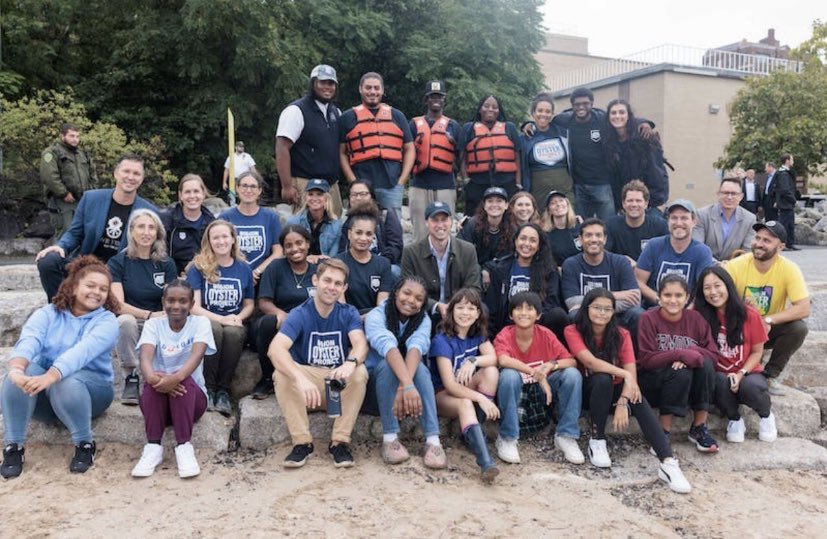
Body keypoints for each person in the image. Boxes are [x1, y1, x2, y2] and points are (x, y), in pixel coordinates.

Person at [1, 256, 119, 478]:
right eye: (90, 286)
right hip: (46, 394)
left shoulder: (107, 321)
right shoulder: (47, 313)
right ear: (74, 287)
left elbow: (82, 352)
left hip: (92, 394)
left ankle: (84, 444)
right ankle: (13, 447)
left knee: (66, 379)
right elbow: (30, 339)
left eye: (103, 289)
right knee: (17, 375)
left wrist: (52, 375)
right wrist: (17, 368)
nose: (97, 292)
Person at [565, 288, 691, 493]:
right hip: (589, 391)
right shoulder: (573, 330)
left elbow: (631, 372)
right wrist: (624, 375)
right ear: (586, 308)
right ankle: (597, 439)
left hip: (616, 389)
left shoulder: (621, 334)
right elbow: (591, 362)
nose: (602, 313)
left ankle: (668, 462)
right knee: (603, 378)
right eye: (597, 307)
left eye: (608, 309)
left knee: (637, 398)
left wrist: (624, 400)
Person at [268, 259, 369, 469]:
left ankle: (339, 443)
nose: (331, 287)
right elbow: (275, 349)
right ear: (315, 280)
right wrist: (300, 379)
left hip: (337, 383)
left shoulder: (348, 312)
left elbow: (360, 344)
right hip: (308, 386)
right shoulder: (300, 313)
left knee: (360, 372)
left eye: (337, 283)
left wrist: (350, 363)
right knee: (282, 373)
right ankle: (302, 443)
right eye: (327, 280)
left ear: (344, 288)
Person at [35, 153, 157, 301]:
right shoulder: (91, 198)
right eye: (126, 171)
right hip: (86, 265)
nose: (130, 177)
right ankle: (59, 308)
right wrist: (61, 246)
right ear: (116, 173)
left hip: (121, 274)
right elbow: (75, 233)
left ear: (141, 179)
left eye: (136, 173)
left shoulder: (148, 211)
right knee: (48, 260)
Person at [131, 279, 215, 478]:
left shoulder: (201, 323)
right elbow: (145, 357)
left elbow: (196, 356)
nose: (176, 306)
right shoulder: (153, 324)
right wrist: (154, 379)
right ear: (163, 302)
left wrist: (174, 378)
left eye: (183, 301)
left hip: (192, 401)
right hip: (158, 402)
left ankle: (184, 446)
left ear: (192, 304)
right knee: (152, 382)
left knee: (183, 378)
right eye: (171, 300)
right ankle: (152, 448)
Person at [364, 276, 446, 468]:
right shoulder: (377, 315)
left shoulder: (423, 320)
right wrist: (407, 385)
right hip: (376, 392)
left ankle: (433, 441)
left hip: (407, 397)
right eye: (406, 293)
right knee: (387, 364)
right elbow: (388, 347)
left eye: (418, 298)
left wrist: (405, 387)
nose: (411, 301)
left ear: (423, 304)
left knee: (421, 368)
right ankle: (390, 438)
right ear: (395, 293)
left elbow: (416, 348)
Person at [494, 291, 584, 465]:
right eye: (518, 308)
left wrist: (551, 365)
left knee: (572, 375)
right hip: (517, 393)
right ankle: (507, 438)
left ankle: (566, 436)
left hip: (543, 394)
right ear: (511, 315)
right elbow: (503, 360)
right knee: (509, 375)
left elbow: (571, 361)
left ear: (539, 315)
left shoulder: (546, 334)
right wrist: (535, 373)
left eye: (530, 309)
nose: (524, 313)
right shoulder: (505, 334)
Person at [724, 221, 810, 395]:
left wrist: (768, 320)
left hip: (766, 329)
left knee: (798, 328)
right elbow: (717, 298)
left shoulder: (789, 269)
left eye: (767, 240)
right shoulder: (736, 265)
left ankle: (770, 375)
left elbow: (803, 308)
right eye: (758, 238)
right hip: (738, 326)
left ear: (781, 247)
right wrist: (741, 309)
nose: (759, 244)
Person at [637, 275, 720, 453]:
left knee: (704, 364)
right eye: (667, 295)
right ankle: (663, 432)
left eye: (678, 295)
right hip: (654, 382)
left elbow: (713, 356)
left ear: (687, 297)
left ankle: (698, 428)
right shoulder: (648, 318)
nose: (673, 300)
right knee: (678, 372)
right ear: (659, 296)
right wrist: (681, 354)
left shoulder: (696, 319)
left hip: (688, 386)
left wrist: (691, 355)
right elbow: (646, 359)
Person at [693, 267, 777, 443]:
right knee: (720, 382)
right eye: (707, 288)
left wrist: (740, 374)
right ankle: (735, 419)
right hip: (719, 374)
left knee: (751, 387)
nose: (713, 292)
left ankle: (766, 416)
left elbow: (757, 352)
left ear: (728, 285)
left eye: (717, 285)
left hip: (747, 370)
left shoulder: (750, 314)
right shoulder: (699, 315)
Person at [430, 288, 500, 483]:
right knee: (465, 404)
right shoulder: (442, 340)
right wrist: (480, 398)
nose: (465, 313)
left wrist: (473, 360)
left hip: (463, 389)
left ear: (478, 313)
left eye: (471, 308)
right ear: (451, 311)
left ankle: (470, 437)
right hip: (441, 395)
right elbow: (450, 386)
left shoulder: (477, 334)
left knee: (491, 372)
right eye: (460, 307)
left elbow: (493, 358)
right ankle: (485, 462)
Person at [108, 209, 177, 405]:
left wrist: (161, 316)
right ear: (131, 231)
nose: (146, 232)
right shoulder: (118, 262)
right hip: (134, 319)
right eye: (141, 227)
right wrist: (148, 315)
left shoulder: (166, 263)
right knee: (124, 322)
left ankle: (157, 378)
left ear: (157, 233)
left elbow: (171, 299)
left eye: (151, 227)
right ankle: (131, 376)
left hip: (159, 320)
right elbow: (117, 305)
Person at [187, 220, 255, 416]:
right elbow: (194, 306)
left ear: (233, 239)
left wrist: (238, 318)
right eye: (215, 237)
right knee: (214, 329)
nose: (221, 241)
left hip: (234, 321)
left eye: (225, 236)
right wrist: (221, 318)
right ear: (209, 241)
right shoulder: (198, 267)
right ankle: (208, 389)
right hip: (206, 319)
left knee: (233, 333)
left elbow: (249, 303)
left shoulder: (244, 268)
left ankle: (223, 391)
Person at [252, 225, 318, 399]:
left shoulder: (318, 270)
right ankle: (267, 378)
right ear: (283, 249)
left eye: (299, 243)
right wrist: (282, 315)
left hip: (308, 322)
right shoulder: (276, 267)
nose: (295, 249)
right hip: (281, 320)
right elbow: (264, 302)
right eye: (288, 245)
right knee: (268, 322)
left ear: (308, 244)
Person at [339, 71, 415, 216]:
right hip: (361, 186)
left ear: (382, 90)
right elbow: (341, 152)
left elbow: (409, 148)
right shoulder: (347, 118)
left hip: (392, 185)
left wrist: (402, 180)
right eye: (368, 88)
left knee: (392, 230)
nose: (372, 92)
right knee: (360, 226)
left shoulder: (397, 116)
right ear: (360, 89)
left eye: (376, 88)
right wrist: (352, 181)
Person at [276, 64, 343, 215]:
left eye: (331, 83)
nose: (327, 87)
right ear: (313, 84)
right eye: (322, 82)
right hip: (304, 183)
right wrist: (286, 186)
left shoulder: (336, 112)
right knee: (304, 233)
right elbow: (282, 148)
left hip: (331, 185)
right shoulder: (296, 111)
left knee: (334, 230)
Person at [401, 201, 481, 323]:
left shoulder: (468, 249)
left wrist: (456, 306)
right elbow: (407, 290)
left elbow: (473, 287)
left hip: (460, 310)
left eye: (444, 219)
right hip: (423, 311)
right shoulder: (411, 252)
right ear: (426, 222)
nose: (440, 224)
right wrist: (436, 306)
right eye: (435, 220)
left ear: (451, 221)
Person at [561, 218, 643, 336]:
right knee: (574, 315)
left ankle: (634, 354)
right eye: (588, 235)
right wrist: (616, 295)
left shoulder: (620, 261)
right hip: (587, 318)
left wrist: (593, 306)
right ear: (580, 240)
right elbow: (572, 302)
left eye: (598, 235)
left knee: (637, 314)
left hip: (616, 316)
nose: (594, 239)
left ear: (604, 239)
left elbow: (635, 298)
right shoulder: (571, 264)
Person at [484, 223, 568, 339]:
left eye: (533, 240)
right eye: (523, 238)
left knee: (558, 314)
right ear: (515, 241)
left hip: (538, 324)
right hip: (508, 324)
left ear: (538, 246)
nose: (527, 244)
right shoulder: (500, 269)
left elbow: (551, 302)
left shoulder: (549, 270)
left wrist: (529, 319)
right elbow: (492, 306)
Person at [409, 80, 463, 244]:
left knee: (443, 231)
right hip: (419, 183)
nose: (436, 100)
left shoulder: (453, 126)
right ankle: (419, 266)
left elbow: (461, 158)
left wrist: (454, 144)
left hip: (445, 183)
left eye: (439, 97)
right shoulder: (414, 124)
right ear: (426, 100)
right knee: (420, 232)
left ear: (444, 99)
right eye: (432, 97)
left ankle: (445, 266)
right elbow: (406, 153)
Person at [635, 199, 715, 308]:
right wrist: (661, 301)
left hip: (687, 310)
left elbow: (704, 287)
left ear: (694, 222)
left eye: (684, 218)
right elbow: (639, 281)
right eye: (674, 218)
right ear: (668, 221)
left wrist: (689, 310)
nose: (678, 223)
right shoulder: (653, 245)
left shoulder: (702, 252)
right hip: (655, 308)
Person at [461, 95, 522, 216]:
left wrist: (518, 183)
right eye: (486, 106)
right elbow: (462, 157)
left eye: (495, 107)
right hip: (477, 181)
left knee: (509, 218)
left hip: (507, 181)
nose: (490, 109)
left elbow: (517, 157)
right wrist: (465, 179)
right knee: (475, 218)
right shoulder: (469, 128)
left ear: (499, 110)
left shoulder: (510, 128)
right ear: (480, 109)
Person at [603, 99, 669, 209]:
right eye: (613, 113)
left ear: (629, 115)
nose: (617, 116)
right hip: (625, 203)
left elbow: (656, 172)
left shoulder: (646, 138)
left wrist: (655, 202)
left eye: (622, 112)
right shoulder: (609, 142)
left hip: (650, 202)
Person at [221, 171, 283, 281]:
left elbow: (278, 252)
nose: (248, 190)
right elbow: (219, 250)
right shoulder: (225, 218)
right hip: (233, 277)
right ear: (237, 188)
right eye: (244, 186)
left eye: (253, 186)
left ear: (259, 190)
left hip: (263, 277)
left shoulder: (271, 217)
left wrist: (257, 272)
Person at [40, 123, 98, 240]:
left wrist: (92, 194)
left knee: (84, 234)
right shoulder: (51, 153)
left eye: (77, 136)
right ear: (62, 136)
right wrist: (64, 193)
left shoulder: (82, 154)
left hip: (83, 200)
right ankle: (60, 258)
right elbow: (49, 176)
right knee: (66, 234)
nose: (75, 139)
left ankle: (78, 259)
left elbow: (93, 175)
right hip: (63, 201)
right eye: (71, 136)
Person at [336, 206, 396, 315]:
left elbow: (382, 306)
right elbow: (341, 305)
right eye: (358, 232)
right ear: (349, 234)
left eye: (368, 234)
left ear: (373, 236)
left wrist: (368, 318)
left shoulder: (383, 264)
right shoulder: (338, 262)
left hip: (374, 320)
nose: (363, 238)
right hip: (346, 319)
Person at [338, 179, 403, 272]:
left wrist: (378, 262)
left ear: (372, 197)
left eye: (363, 194)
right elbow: (343, 249)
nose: (358, 198)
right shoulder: (347, 221)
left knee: (393, 271)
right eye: (354, 194)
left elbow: (395, 246)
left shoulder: (385, 215)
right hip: (354, 264)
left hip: (383, 263)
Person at [520, 92, 572, 206]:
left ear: (553, 114)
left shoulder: (563, 133)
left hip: (565, 191)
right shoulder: (525, 138)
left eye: (548, 111)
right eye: (540, 111)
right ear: (533, 113)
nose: (544, 114)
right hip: (537, 193)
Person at [160, 174, 216, 275]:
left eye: (196, 191)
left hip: (204, 275)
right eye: (187, 192)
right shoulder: (167, 220)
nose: (192, 196)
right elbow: (161, 253)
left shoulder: (212, 223)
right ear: (180, 195)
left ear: (203, 194)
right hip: (173, 278)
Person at [605, 180, 668, 265]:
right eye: (630, 200)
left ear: (646, 203)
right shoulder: (611, 225)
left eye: (638, 201)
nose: (634, 204)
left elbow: (666, 256)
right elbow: (604, 254)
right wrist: (623, 260)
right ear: (623, 203)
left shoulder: (660, 226)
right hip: (619, 272)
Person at [693, 178, 756, 261]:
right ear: (718, 194)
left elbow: (747, 252)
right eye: (725, 193)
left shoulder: (750, 219)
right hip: (706, 266)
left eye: (734, 194)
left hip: (735, 269)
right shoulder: (702, 215)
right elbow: (698, 248)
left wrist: (730, 266)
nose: (729, 197)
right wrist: (717, 265)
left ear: (741, 196)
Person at [458, 186, 515, 275]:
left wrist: (488, 269)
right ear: (484, 205)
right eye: (490, 201)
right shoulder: (471, 225)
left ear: (506, 205)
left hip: (500, 272)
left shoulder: (512, 229)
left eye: (499, 201)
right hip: (472, 272)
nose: (494, 205)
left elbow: (509, 257)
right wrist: (480, 271)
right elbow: (461, 252)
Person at [286, 179, 343, 261]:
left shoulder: (336, 226)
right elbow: (289, 253)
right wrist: (307, 258)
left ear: (327, 198)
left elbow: (333, 257)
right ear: (305, 197)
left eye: (319, 194)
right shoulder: (293, 222)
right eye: (310, 194)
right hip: (298, 265)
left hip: (325, 267)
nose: (314, 198)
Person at [540, 190, 582, 267]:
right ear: (549, 210)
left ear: (567, 204)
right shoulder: (546, 235)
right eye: (553, 203)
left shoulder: (580, 227)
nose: (558, 204)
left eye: (561, 200)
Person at [767, 154, 798, 250]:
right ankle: (781, 244)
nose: (793, 161)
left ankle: (790, 243)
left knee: (790, 224)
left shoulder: (785, 172)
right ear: (787, 161)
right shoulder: (783, 173)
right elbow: (785, 190)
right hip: (785, 203)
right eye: (792, 159)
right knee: (783, 225)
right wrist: (793, 199)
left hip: (787, 203)